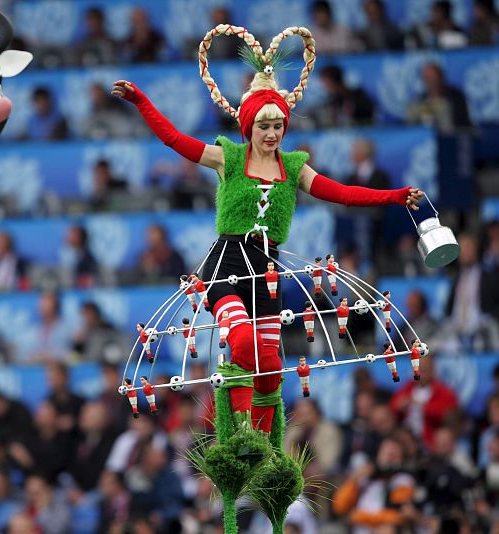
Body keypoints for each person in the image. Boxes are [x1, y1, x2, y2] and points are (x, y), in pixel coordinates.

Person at [111, 25, 421, 530]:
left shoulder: (294, 167)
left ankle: (262, 453)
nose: (274, 132)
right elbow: (174, 140)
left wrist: (393, 195)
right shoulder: (227, 159)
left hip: (268, 273)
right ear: (249, 125)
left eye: (280, 124)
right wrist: (141, 99)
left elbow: (343, 193)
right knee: (240, 339)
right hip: (227, 268)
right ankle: (235, 439)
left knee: (272, 364)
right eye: (266, 124)